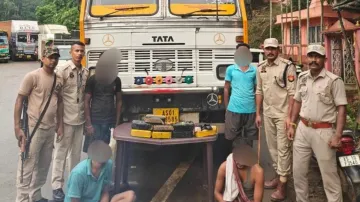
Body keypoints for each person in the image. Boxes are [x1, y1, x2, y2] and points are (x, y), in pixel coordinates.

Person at [288, 44, 347, 202]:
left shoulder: (334, 81)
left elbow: (342, 109)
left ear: (324, 59)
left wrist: (338, 136)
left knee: (329, 177)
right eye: (311, 56)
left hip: (324, 131)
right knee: (298, 173)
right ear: (307, 58)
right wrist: (292, 124)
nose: (314, 60)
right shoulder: (302, 77)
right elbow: (297, 101)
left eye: (318, 56)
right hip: (302, 129)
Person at [14, 47, 63, 202]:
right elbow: (19, 100)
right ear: (42, 58)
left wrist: (60, 124)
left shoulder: (58, 79)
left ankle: (35, 196)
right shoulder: (32, 77)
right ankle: (22, 199)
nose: (53, 60)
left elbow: (60, 102)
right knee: (26, 166)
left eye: (56, 57)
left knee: (43, 166)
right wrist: (17, 127)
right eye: (50, 57)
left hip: (49, 130)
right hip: (33, 129)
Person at [255, 38, 297, 200]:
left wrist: (290, 118)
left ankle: (283, 185)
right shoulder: (261, 68)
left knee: (283, 149)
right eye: (267, 49)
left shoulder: (288, 66)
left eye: (273, 49)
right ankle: (278, 176)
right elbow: (259, 91)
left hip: (283, 115)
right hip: (268, 113)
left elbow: (293, 93)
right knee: (272, 148)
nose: (270, 52)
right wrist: (258, 113)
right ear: (263, 50)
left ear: (278, 49)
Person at [51, 41, 89, 201]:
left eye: (82, 51)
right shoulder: (62, 70)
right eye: (76, 51)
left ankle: (73, 184)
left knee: (75, 155)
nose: (79, 54)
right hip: (65, 121)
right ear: (71, 53)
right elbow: (55, 97)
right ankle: (56, 187)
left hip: (79, 120)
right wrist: (57, 123)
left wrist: (87, 122)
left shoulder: (85, 72)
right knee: (60, 154)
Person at [65, 140, 136, 202]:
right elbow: (74, 199)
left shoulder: (108, 164)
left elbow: (105, 190)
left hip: (98, 199)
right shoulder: (78, 173)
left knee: (131, 195)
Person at [224, 43, 258, 148]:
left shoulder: (254, 70)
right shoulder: (231, 69)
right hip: (234, 109)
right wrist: (227, 107)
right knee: (233, 139)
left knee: (249, 140)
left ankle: (248, 162)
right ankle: (234, 162)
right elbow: (226, 88)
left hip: (251, 110)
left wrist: (258, 111)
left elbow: (257, 90)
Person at [83, 67, 122, 152]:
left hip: (109, 121)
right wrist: (88, 124)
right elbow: (86, 101)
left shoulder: (116, 80)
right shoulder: (92, 80)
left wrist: (117, 123)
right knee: (93, 153)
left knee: (106, 151)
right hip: (95, 121)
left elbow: (119, 101)